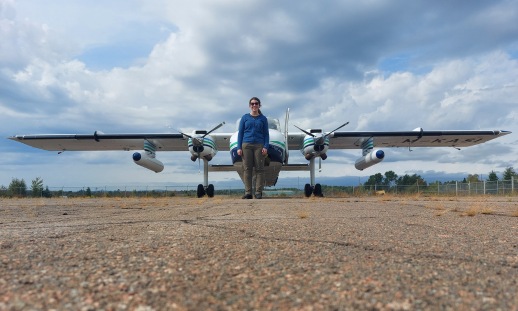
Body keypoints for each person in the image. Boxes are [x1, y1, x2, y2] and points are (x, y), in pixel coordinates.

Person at [237, 97, 269, 199]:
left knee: (260, 169)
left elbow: (266, 134)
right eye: (252, 104)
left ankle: (258, 192)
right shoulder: (244, 118)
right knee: (247, 169)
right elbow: (240, 133)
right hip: (246, 145)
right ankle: (248, 193)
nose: (254, 105)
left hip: (259, 145)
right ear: (249, 105)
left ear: (259, 105)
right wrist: (239, 147)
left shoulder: (263, 119)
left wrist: (265, 146)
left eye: (256, 103)